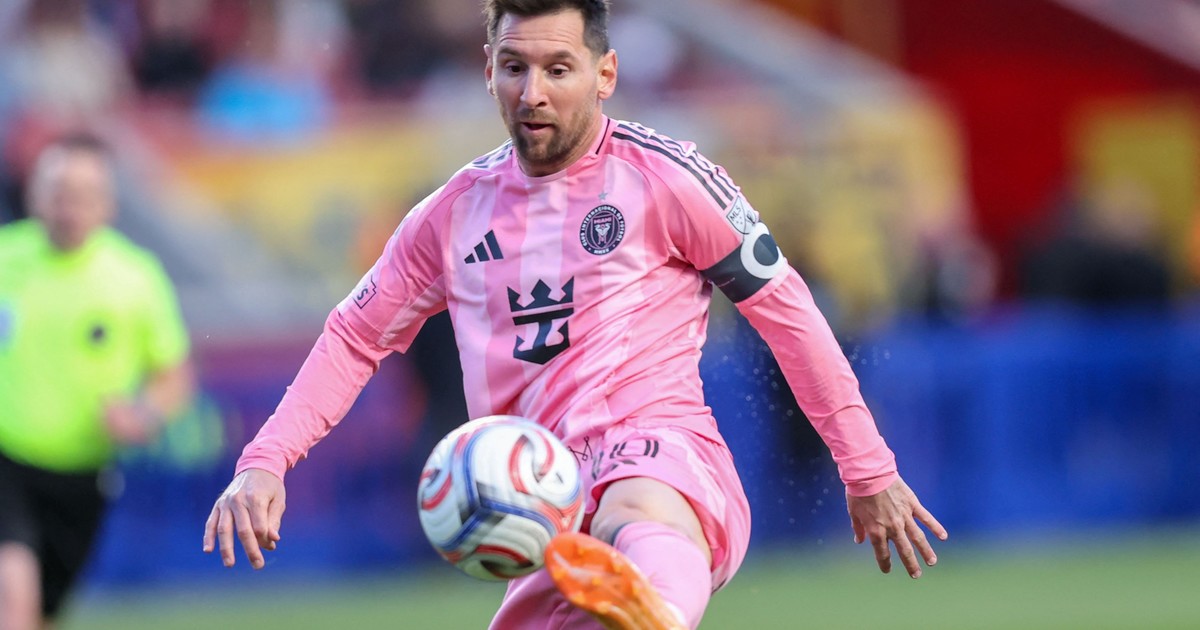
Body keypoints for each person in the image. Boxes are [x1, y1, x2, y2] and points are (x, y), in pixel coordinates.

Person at [203, 1, 947, 628]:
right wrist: (265, 463)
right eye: (515, 67)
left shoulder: (667, 178)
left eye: (558, 69)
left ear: (605, 74)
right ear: (487, 69)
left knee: (637, 511)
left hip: (659, 451)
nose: (533, 93)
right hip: (541, 510)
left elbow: (787, 311)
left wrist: (866, 467)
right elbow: (353, 337)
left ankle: (654, 611)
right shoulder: (449, 216)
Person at [0, 133, 194, 630]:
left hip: (84, 476)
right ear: (35, 194)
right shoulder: (5, 258)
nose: (70, 208)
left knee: (40, 615)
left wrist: (144, 414)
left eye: (84, 195)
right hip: (6, 461)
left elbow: (173, 375)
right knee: (13, 603)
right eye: (59, 193)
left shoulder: (135, 277)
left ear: (108, 204)